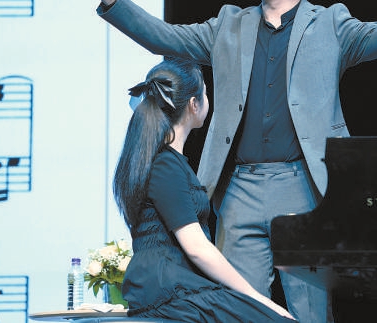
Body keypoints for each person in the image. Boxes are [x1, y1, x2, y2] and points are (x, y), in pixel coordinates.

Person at [80, 0, 377, 323]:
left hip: (304, 186)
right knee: (241, 311)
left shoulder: (330, 24)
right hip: (239, 188)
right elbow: (164, 37)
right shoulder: (228, 26)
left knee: (309, 313)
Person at [112, 57, 295, 322]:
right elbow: (196, 247)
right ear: (194, 104)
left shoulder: (164, 161)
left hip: (175, 285)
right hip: (171, 289)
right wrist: (257, 299)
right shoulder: (165, 164)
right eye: (206, 93)